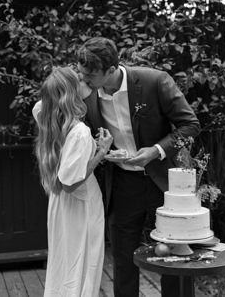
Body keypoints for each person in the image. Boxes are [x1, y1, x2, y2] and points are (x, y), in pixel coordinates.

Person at [77, 37, 201, 297]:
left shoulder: (154, 81)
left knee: (174, 253)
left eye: (90, 75)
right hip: (122, 184)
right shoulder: (87, 95)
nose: (84, 79)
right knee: (123, 259)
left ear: (111, 70)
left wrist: (155, 151)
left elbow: (190, 124)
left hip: (163, 181)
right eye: (82, 73)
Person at [33, 66, 113, 297]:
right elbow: (70, 183)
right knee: (83, 267)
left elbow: (41, 103)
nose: (86, 80)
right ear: (71, 92)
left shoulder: (45, 116)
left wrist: (59, 82)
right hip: (82, 204)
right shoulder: (78, 131)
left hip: (59, 205)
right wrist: (101, 152)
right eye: (79, 79)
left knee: (62, 265)